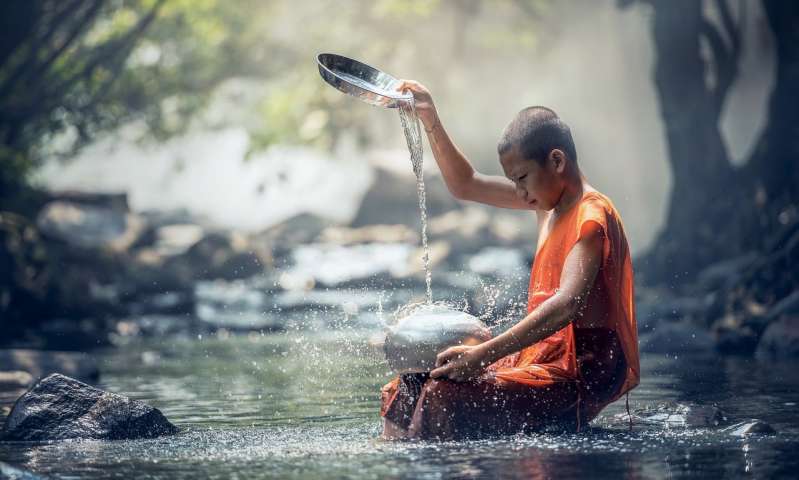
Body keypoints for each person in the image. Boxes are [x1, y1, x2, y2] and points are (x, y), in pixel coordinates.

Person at [380, 80, 640, 440]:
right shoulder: (545, 200)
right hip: (538, 359)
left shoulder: (591, 214)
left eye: (521, 179)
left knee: (441, 394)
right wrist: (430, 119)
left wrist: (483, 355)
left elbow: (567, 304)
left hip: (578, 375)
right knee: (407, 384)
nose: (519, 194)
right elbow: (466, 184)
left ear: (557, 161)